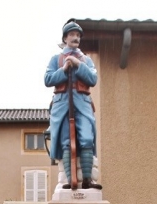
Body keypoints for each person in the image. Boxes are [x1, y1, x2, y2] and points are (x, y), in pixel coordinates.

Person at [45, 19, 101, 190]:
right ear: (65, 38)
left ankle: (87, 180)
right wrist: (63, 70)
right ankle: (69, 181)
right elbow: (48, 80)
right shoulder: (56, 59)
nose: (75, 38)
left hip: (83, 104)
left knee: (87, 139)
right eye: (72, 35)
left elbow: (92, 79)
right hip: (62, 105)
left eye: (78, 35)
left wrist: (78, 65)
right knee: (65, 143)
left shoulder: (86, 60)